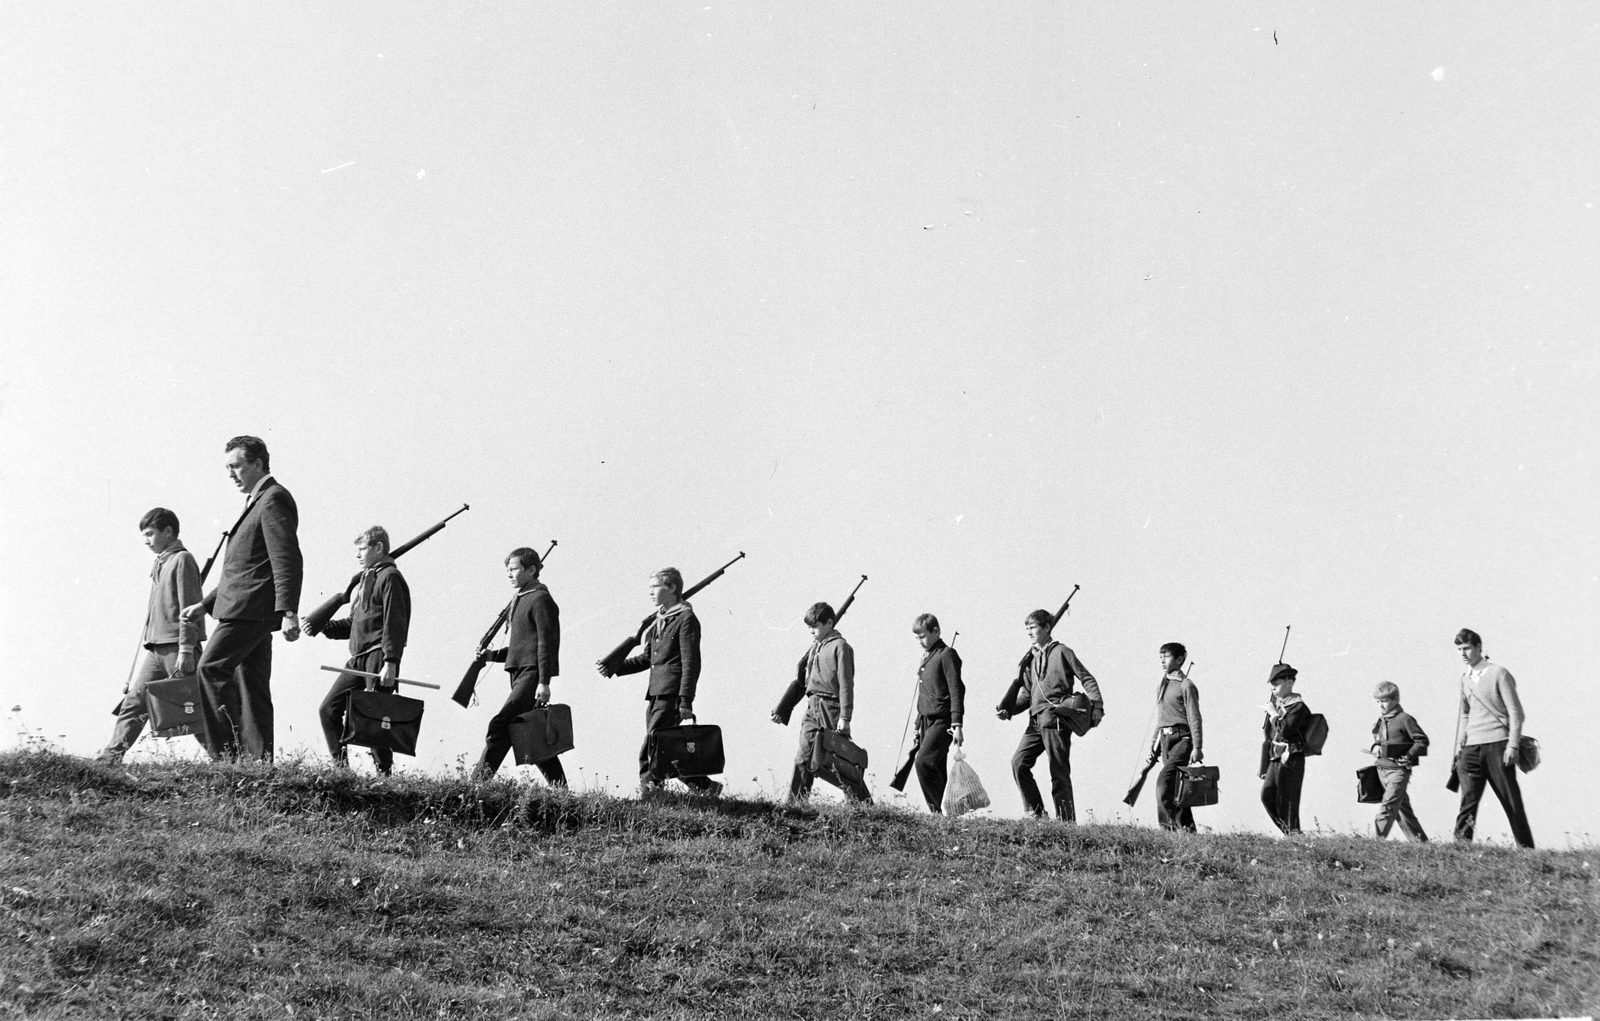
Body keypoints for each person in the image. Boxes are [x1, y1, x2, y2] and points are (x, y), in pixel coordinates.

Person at [182, 435, 302, 762]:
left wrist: (289, 610)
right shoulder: (257, 500)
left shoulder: (273, 498)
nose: (231, 474)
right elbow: (245, 567)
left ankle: (226, 757)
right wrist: (204, 605)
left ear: (258, 463)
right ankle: (258, 764)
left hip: (249, 610)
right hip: (248, 607)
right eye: (228, 468)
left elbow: (286, 558)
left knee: (210, 669)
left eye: (236, 466)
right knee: (252, 687)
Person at [99, 508, 207, 763]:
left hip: (177, 647)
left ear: (168, 531)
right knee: (134, 702)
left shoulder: (182, 560)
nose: (146, 540)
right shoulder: (162, 561)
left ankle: (227, 760)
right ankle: (109, 759)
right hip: (156, 648)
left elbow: (189, 608)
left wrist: (185, 650)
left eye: (150, 534)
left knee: (192, 707)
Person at [601, 567, 720, 795]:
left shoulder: (685, 618)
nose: (650, 592)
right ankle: (706, 787)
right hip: (656, 693)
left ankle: (651, 796)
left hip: (672, 694)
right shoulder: (660, 620)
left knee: (651, 748)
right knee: (665, 748)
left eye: (655, 587)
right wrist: (615, 667)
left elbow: (690, 663)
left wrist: (685, 700)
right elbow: (648, 659)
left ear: (672, 588)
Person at [313, 527, 411, 775]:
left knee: (373, 720)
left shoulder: (390, 577)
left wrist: (391, 661)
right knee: (328, 710)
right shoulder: (366, 580)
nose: (358, 555)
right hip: (357, 659)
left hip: (378, 656)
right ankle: (341, 771)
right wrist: (322, 625)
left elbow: (394, 623)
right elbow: (355, 625)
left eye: (362, 549)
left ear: (378, 548)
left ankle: (385, 776)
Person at [472, 547, 566, 785]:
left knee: (499, 726)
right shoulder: (521, 599)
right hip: (520, 673)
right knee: (532, 733)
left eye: (514, 569)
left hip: (533, 675)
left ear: (532, 570)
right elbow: (521, 648)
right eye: (508, 569)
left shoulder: (541, 599)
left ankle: (476, 785)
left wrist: (544, 683)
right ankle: (561, 790)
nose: (509, 574)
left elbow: (546, 644)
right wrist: (492, 655)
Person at [998, 610, 1103, 821]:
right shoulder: (1030, 661)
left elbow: (1087, 678)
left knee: (1058, 772)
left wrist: (1097, 706)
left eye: (1033, 627)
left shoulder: (1062, 651)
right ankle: (1036, 813)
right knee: (1018, 763)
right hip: (1035, 722)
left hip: (1056, 719)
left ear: (1047, 628)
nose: (1029, 632)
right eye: (1027, 628)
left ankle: (1066, 821)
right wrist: (1009, 710)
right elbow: (1027, 695)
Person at [772, 602, 869, 803]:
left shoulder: (841, 647)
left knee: (840, 761)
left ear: (829, 623)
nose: (811, 631)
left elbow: (845, 684)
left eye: (815, 626)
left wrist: (845, 716)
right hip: (813, 707)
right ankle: (795, 803)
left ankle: (864, 805)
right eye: (809, 627)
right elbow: (804, 683)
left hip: (831, 708)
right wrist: (783, 707)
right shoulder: (815, 647)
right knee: (803, 757)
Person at [1452, 628, 1534, 848]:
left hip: (1498, 745)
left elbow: (1516, 712)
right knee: (1467, 801)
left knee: (1510, 800)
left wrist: (1513, 745)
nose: (1463, 653)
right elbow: (1465, 713)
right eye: (1459, 649)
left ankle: (1527, 851)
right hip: (1471, 748)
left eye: (1467, 648)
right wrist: (1460, 745)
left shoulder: (1499, 673)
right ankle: (1459, 849)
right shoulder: (1464, 679)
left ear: (1479, 648)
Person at [909, 614, 964, 813]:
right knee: (937, 768)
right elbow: (924, 695)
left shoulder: (947, 654)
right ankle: (945, 815)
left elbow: (956, 690)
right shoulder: (928, 656)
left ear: (936, 631)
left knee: (923, 762)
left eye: (923, 636)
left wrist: (957, 724)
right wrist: (917, 726)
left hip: (943, 720)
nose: (920, 641)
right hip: (925, 720)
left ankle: (937, 812)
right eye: (917, 638)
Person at [1147, 643, 1203, 832]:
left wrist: (1197, 746)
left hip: (1182, 739)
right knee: (1177, 788)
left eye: (1167, 656)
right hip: (1165, 741)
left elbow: (1194, 717)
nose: (1162, 660)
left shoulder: (1186, 685)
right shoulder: (1163, 684)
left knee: (1163, 784)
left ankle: (1166, 831)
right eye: (1160, 656)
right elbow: (1161, 718)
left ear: (1179, 659)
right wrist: (1154, 746)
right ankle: (1189, 831)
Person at [1369, 681, 1428, 842]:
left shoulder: (1405, 719)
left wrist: (1408, 756)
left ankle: (1376, 840)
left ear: (1396, 699)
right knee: (1402, 810)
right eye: (1378, 701)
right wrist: (1375, 747)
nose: (1381, 705)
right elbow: (1378, 739)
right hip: (1382, 769)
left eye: (1384, 701)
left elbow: (1422, 741)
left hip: (1398, 770)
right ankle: (1421, 843)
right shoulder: (1381, 720)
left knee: (1388, 805)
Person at [1259, 662, 1312, 835]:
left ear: (1290, 683)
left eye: (1277, 684)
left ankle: (1294, 836)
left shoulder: (1298, 706)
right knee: (1267, 796)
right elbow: (1269, 737)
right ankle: (1291, 834)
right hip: (1275, 759)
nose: (1273, 688)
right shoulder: (1279, 705)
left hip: (1292, 757)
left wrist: (1273, 713)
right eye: (1272, 685)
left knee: (1288, 802)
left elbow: (1285, 729)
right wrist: (1263, 766)